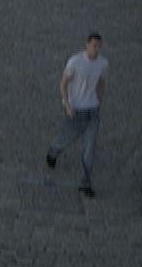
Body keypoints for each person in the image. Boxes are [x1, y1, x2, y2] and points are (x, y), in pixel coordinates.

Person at [45, 32, 107, 197]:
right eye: (94, 45)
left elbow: (101, 82)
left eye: (98, 46)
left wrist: (99, 101)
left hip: (92, 111)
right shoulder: (75, 62)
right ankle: (53, 151)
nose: (96, 49)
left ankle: (85, 183)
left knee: (89, 150)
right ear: (87, 45)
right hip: (76, 111)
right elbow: (64, 83)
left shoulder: (102, 63)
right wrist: (67, 104)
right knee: (65, 139)